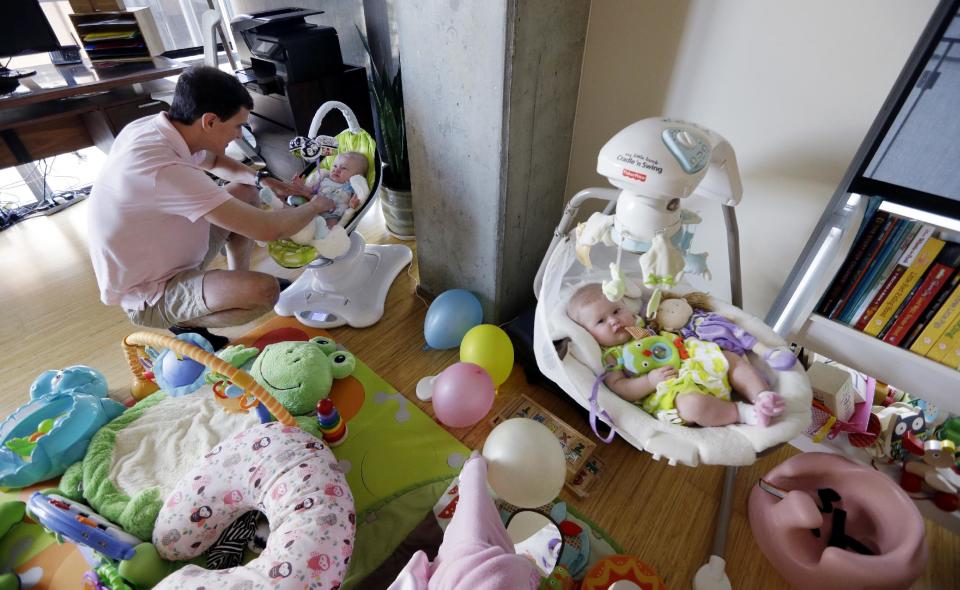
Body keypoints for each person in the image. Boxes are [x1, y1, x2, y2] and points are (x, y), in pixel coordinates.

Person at [87, 66, 336, 348]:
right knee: (264, 292)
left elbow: (214, 162)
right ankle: (184, 320)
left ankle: (232, 278)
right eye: (237, 126)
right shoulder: (163, 170)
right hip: (151, 293)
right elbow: (268, 230)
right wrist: (317, 205)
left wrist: (263, 178)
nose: (240, 135)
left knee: (245, 189)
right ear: (210, 121)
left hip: (169, 249)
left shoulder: (155, 127)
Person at [567, 284, 785, 427]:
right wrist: (649, 381)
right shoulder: (612, 357)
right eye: (600, 321)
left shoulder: (645, 321)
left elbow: (673, 321)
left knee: (728, 357)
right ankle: (742, 413)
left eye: (616, 311)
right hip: (671, 389)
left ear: (625, 305)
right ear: (588, 334)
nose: (614, 321)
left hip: (693, 359)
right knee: (693, 406)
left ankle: (762, 396)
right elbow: (621, 389)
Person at [303, 151, 369, 228]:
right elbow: (312, 191)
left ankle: (322, 235)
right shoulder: (325, 179)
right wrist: (303, 188)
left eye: (344, 168)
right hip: (314, 206)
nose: (336, 170)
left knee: (332, 225)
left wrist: (352, 205)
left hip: (333, 214)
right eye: (335, 166)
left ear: (356, 175)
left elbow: (351, 204)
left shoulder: (350, 187)